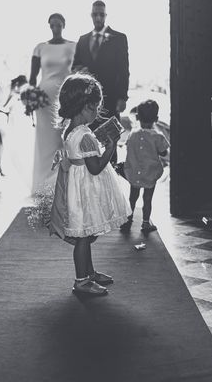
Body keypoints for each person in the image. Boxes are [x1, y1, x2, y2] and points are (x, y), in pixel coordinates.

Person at [57, 73, 130, 295]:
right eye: (96, 107)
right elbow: (96, 167)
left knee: (86, 235)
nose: (98, 112)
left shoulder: (71, 129)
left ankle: (89, 273)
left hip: (79, 186)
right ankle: (81, 281)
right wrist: (111, 146)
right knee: (84, 236)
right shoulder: (85, 135)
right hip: (86, 190)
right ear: (86, 107)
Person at [72, 0, 130, 164]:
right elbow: (74, 66)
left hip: (110, 100)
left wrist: (123, 98)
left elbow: (124, 70)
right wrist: (79, 70)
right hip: (86, 101)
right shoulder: (82, 40)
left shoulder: (119, 38)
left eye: (101, 14)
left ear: (105, 15)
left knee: (110, 140)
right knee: (87, 141)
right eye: (95, 14)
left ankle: (111, 180)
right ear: (91, 15)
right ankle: (90, 178)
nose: (98, 17)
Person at [29, 13, 76, 193]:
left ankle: (63, 182)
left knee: (62, 138)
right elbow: (32, 77)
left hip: (65, 96)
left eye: (58, 25)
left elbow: (78, 69)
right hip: (43, 99)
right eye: (52, 25)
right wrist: (30, 96)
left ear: (63, 25)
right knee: (45, 142)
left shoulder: (73, 46)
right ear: (49, 26)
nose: (55, 28)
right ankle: (42, 184)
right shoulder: (40, 47)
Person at [120, 99, 170, 233]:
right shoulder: (157, 136)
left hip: (134, 172)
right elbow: (164, 152)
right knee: (147, 199)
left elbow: (128, 149)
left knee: (132, 198)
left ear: (137, 117)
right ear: (157, 119)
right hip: (150, 173)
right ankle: (145, 223)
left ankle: (128, 220)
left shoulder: (132, 134)